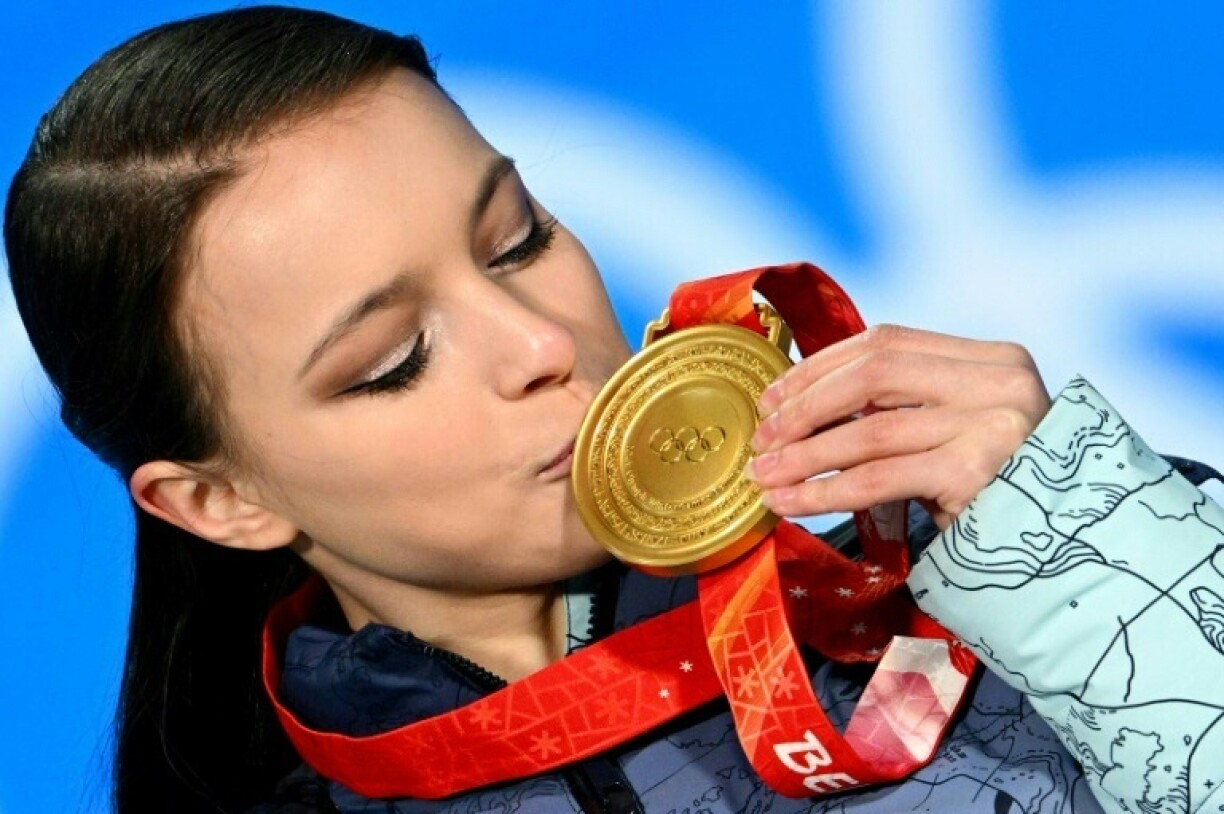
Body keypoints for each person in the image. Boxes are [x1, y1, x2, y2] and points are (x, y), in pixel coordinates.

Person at [6, 6, 1222, 813]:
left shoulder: (1004, 580)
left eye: (517, 241)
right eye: (393, 361)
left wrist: (1105, 565)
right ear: (216, 500)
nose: (542, 344)